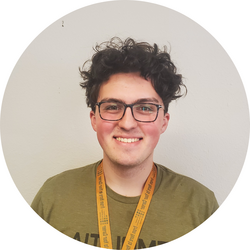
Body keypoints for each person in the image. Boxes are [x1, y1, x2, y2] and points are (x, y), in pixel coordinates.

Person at [31, 37, 219, 249]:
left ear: (163, 122)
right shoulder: (53, 196)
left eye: (145, 108)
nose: (127, 123)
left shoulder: (200, 205)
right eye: (112, 107)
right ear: (94, 119)